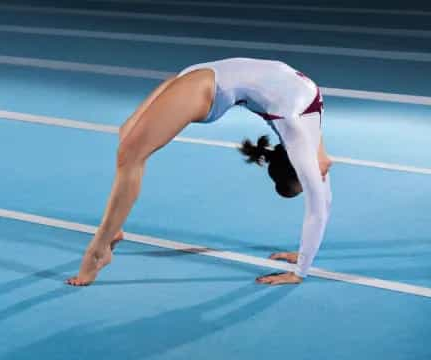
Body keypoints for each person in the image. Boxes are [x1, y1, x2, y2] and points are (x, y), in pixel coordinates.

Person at [66, 57, 332, 287]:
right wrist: (300, 272)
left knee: (130, 150)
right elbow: (319, 207)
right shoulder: (296, 132)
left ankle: (105, 240)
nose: (319, 176)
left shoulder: (309, 125)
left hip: (205, 77)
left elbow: (321, 196)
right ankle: (107, 239)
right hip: (207, 86)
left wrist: (303, 254)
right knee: (128, 143)